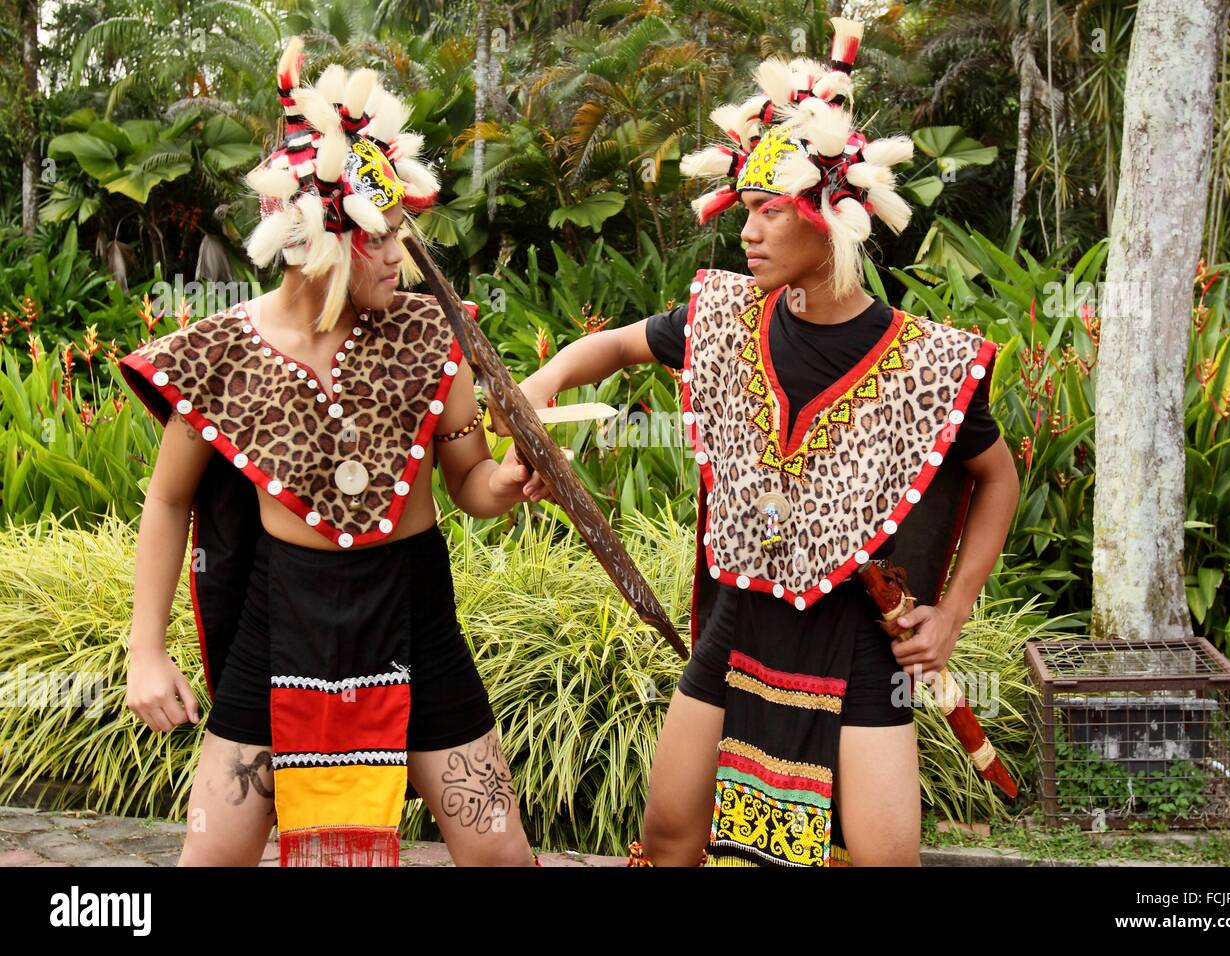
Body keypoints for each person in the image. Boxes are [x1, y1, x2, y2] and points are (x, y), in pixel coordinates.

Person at [509, 16, 1020, 866]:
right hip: (743, 614)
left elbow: (997, 478)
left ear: (830, 219)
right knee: (669, 835)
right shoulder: (719, 318)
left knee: (883, 857)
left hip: (858, 639)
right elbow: (607, 349)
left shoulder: (929, 363)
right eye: (742, 211)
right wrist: (536, 391)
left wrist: (954, 613)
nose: (746, 232)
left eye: (768, 213)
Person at [119, 37, 549, 867]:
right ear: (316, 235)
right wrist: (146, 648)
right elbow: (168, 499)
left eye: (401, 233)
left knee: (503, 856)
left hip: (416, 616)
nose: (401, 255)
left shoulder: (431, 332)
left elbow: (469, 478)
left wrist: (513, 477)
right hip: (281, 625)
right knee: (208, 861)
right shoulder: (220, 353)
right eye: (379, 237)